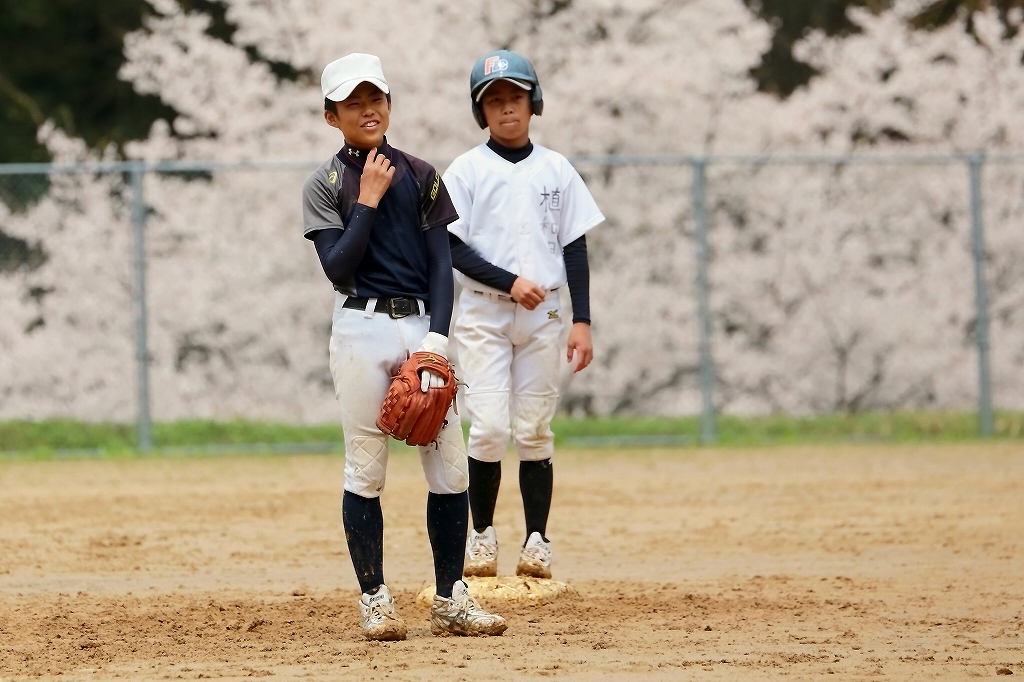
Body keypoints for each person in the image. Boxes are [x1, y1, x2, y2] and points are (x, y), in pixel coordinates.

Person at [301, 53, 507, 639]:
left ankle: (451, 599)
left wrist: (437, 341)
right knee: (365, 470)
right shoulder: (326, 184)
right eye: (352, 103)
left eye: (375, 99)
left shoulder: (421, 174)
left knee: (449, 467)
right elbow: (338, 268)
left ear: (389, 105)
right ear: (330, 115)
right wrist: (365, 200)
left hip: (421, 326)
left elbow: (442, 266)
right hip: (360, 327)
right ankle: (375, 600)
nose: (367, 110)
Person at [442, 50, 604, 580]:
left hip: (544, 317)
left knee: (534, 428)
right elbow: (451, 247)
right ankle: (483, 535)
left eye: (515, 97)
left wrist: (581, 320)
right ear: (480, 112)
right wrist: (508, 281)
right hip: (484, 314)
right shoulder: (466, 170)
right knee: (487, 428)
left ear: (533, 103)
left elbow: (574, 246)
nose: (506, 109)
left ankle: (537, 539)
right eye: (494, 101)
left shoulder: (556, 169)